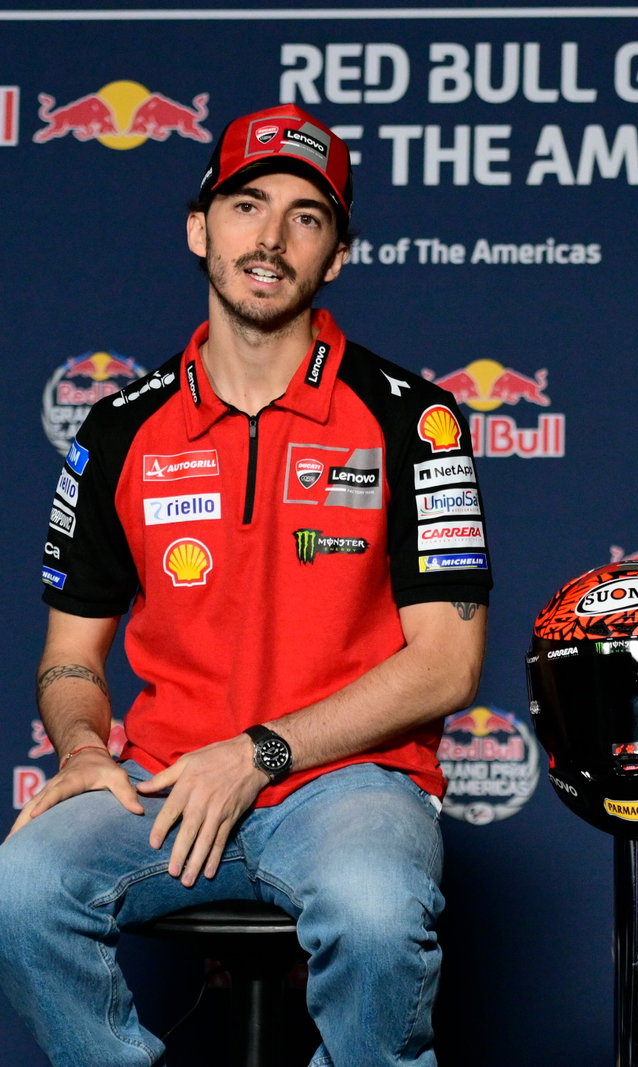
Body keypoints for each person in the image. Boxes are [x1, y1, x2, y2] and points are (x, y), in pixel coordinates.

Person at [0, 104, 491, 1066]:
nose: (270, 237)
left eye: (307, 216)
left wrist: (260, 752)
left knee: (377, 911)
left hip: (353, 783)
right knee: (22, 888)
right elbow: (70, 655)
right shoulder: (117, 433)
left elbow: (447, 664)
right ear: (200, 229)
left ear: (337, 254)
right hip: (168, 783)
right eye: (246, 204)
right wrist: (82, 746)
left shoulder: (415, 420)